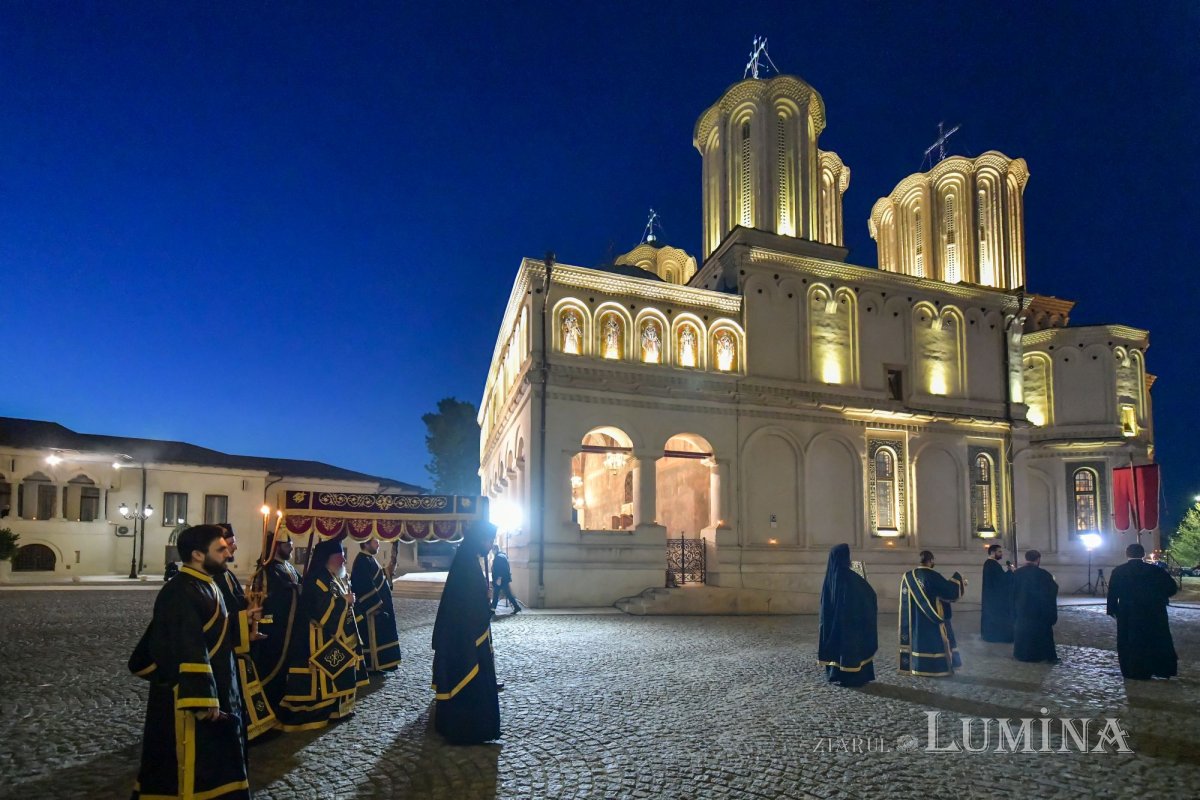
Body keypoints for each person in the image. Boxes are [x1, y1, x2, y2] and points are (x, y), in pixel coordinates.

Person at [128, 524, 250, 799]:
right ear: (197, 554)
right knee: (191, 770)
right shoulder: (181, 591)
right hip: (191, 703)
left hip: (219, 692)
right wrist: (202, 700)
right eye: (220, 549)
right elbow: (187, 648)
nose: (227, 553)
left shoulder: (205, 584)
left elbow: (215, 637)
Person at [276, 534, 368, 732]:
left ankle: (339, 709)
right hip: (316, 638)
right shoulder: (318, 579)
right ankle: (320, 711)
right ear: (327, 557)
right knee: (323, 677)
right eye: (340, 555)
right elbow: (320, 608)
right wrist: (345, 601)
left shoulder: (335, 576)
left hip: (338, 636)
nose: (343, 559)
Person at [432, 522, 501, 744]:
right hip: (466, 635)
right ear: (480, 539)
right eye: (488, 540)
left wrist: (484, 595)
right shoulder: (467, 563)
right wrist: (484, 601)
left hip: (468, 631)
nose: (490, 545)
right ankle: (469, 727)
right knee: (470, 678)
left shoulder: (468, 559)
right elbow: (467, 604)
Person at [214, 524, 276, 741]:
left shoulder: (226, 573)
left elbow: (238, 603)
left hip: (237, 640)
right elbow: (220, 616)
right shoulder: (213, 577)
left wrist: (252, 607)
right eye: (229, 545)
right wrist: (244, 625)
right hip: (223, 647)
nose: (234, 548)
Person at [1107, 542, 1178, 679]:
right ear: (1143, 555)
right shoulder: (1155, 570)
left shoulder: (1119, 571)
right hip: (1153, 611)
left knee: (1130, 641)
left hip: (1128, 612)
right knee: (1154, 639)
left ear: (1127, 554)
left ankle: (1132, 669)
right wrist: (1159, 597)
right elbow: (1171, 588)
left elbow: (1112, 593)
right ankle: (1160, 668)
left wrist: (1113, 610)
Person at [251, 530, 302, 711]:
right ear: (277, 546)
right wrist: (295, 590)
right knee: (272, 665)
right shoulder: (267, 570)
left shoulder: (288, 567)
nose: (291, 548)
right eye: (288, 545)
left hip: (289, 626)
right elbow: (271, 597)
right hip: (274, 628)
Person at [817, 544, 877, 686]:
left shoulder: (829, 579)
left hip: (834, 624)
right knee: (850, 649)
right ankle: (852, 677)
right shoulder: (851, 578)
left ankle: (835, 673)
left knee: (836, 646)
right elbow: (869, 595)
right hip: (851, 622)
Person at [898, 550, 965, 677]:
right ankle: (935, 668)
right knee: (934, 643)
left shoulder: (907, 577)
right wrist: (958, 578)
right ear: (931, 561)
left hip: (915, 619)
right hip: (933, 618)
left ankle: (917, 666)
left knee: (919, 641)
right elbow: (950, 592)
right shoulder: (934, 576)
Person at [351, 538, 402, 674]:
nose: (378, 543)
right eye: (375, 541)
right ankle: (372, 665)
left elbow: (378, 578)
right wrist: (376, 606)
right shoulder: (361, 560)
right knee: (373, 637)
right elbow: (364, 585)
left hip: (380, 607)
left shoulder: (369, 559)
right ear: (366, 543)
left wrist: (389, 569)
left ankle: (381, 664)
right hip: (372, 611)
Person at [1012, 549, 1059, 663]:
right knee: (1042, 633)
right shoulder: (1044, 574)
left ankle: (1022, 654)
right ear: (1038, 559)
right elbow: (1053, 590)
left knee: (1023, 632)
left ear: (1026, 558)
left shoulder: (1017, 573)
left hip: (1022, 610)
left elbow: (1011, 592)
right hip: (1039, 612)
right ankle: (1044, 655)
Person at [980, 543, 1015, 643]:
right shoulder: (992, 564)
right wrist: (1010, 572)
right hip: (995, 599)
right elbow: (1001, 581)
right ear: (992, 552)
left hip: (992, 597)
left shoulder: (991, 564)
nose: (1001, 554)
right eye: (999, 552)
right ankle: (997, 636)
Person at [489, 543, 522, 615]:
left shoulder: (499, 557)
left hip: (501, 579)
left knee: (496, 594)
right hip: (504, 579)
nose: (492, 551)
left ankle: (492, 609)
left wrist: (499, 578)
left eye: (492, 550)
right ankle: (516, 607)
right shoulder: (502, 555)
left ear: (495, 549)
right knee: (507, 594)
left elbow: (501, 569)